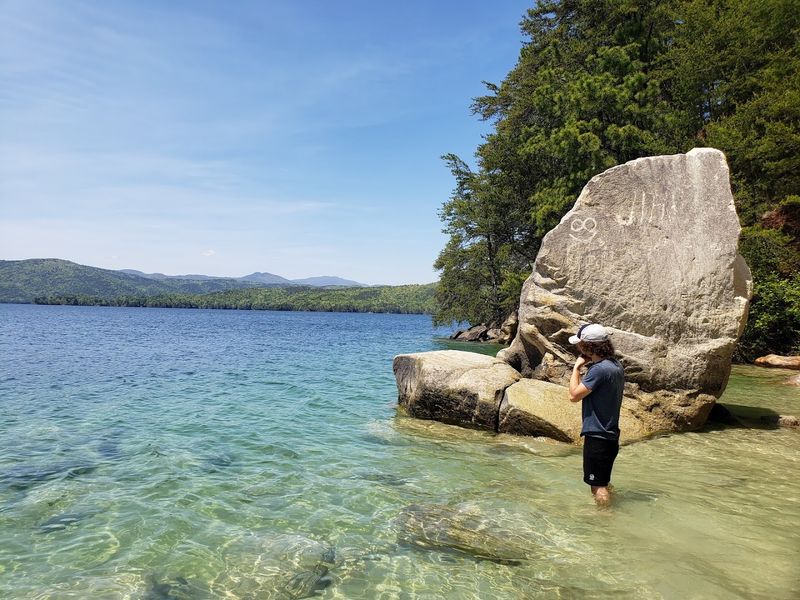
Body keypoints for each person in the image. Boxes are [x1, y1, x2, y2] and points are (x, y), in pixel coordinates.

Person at [567, 323, 624, 506]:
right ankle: (610, 510)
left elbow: (573, 396)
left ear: (588, 346)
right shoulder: (615, 365)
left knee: (597, 486)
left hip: (598, 435)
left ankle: (605, 518)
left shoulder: (599, 370)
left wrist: (576, 368)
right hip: (610, 434)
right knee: (603, 481)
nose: (578, 347)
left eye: (580, 344)